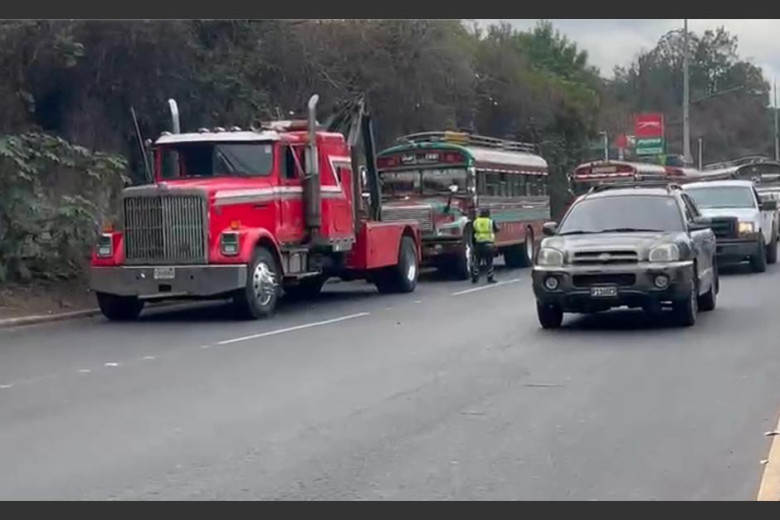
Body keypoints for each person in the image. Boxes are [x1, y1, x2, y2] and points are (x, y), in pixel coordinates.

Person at [472, 208, 500, 284]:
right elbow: (497, 229)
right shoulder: (490, 222)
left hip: (478, 244)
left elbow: (473, 230)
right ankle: (490, 278)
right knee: (489, 262)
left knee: (476, 262)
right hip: (488, 244)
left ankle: (475, 277)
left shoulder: (476, 221)